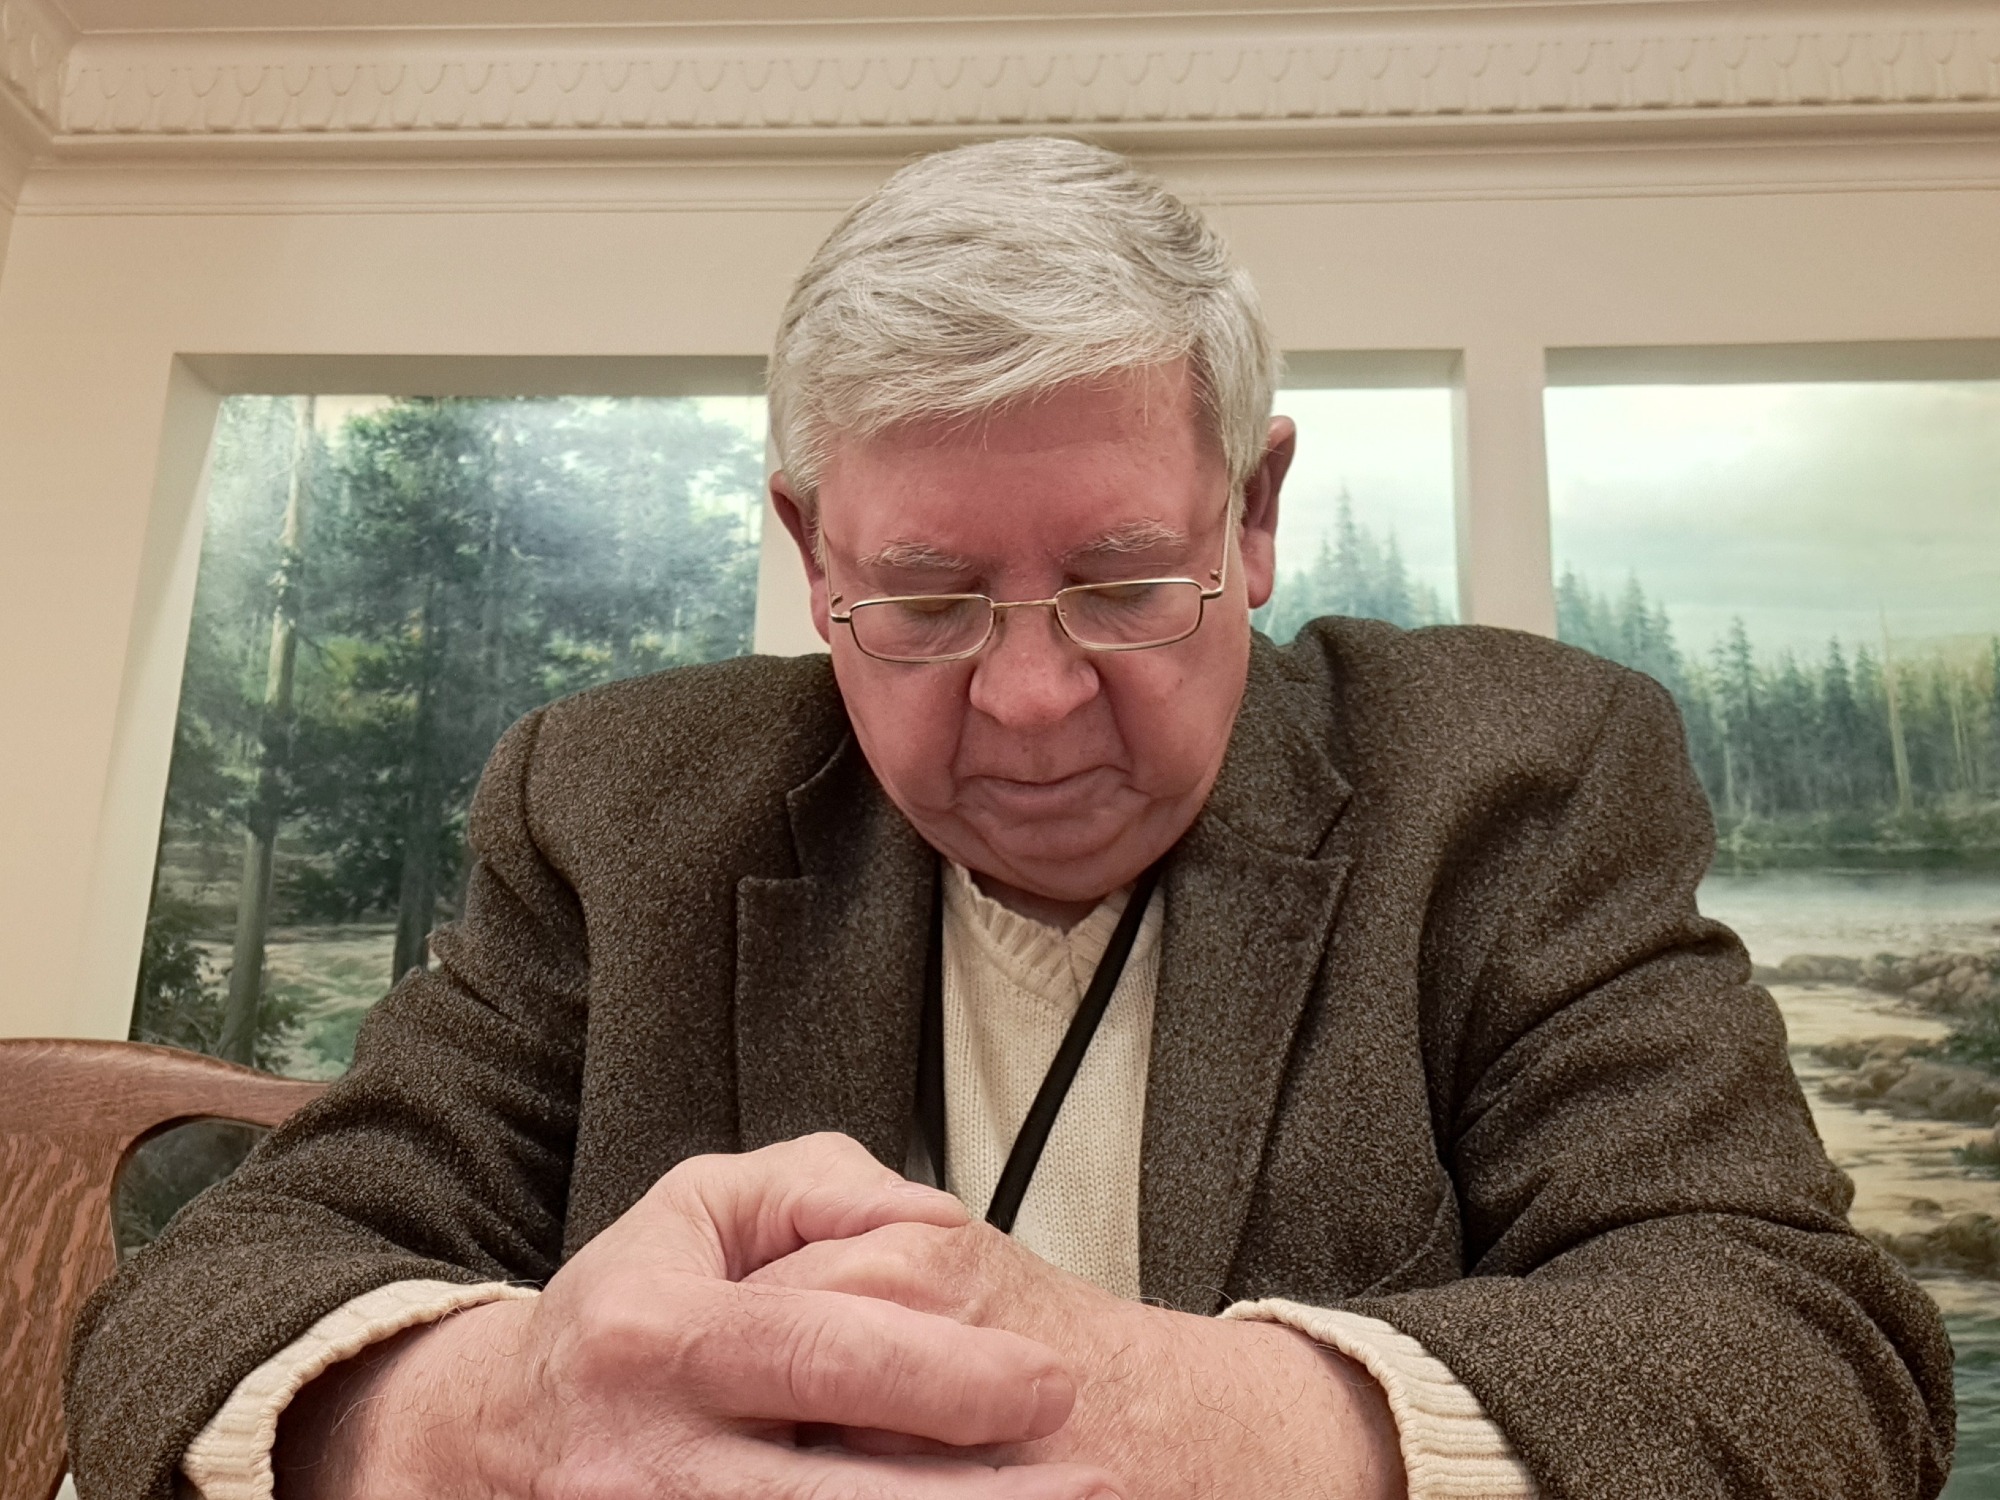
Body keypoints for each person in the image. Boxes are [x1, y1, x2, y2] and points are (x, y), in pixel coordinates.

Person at [67, 137, 1952, 1500]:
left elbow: (1808, 1360)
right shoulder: (617, 802)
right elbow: (197, 1307)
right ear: (812, 552)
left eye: (1127, 584)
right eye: (929, 598)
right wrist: (506, 1407)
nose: (1035, 695)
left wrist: (1164, 1414)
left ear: (1257, 512)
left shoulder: (1525, 774)